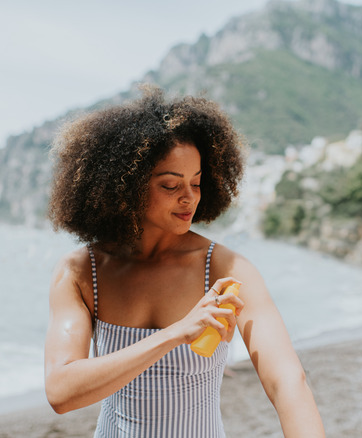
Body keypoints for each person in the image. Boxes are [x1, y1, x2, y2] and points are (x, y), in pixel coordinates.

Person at [44, 86, 325, 437]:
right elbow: (60, 391)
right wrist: (177, 333)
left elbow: (287, 382)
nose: (188, 197)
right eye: (169, 185)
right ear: (126, 186)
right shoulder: (82, 272)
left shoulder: (226, 270)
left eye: (196, 182)